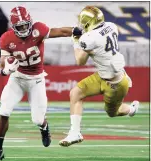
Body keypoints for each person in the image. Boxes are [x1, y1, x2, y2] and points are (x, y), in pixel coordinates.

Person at [0, 6, 73, 161]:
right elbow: (1, 67)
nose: (25, 29)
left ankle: (44, 128)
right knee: (4, 110)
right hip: (17, 78)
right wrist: (6, 70)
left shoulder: (39, 29)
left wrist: (78, 31)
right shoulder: (6, 39)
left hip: (36, 80)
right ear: (14, 27)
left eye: (26, 25)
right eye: (20, 27)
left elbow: (61, 31)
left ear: (30, 22)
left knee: (38, 119)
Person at [59, 6, 140, 147]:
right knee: (75, 93)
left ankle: (132, 109)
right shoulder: (111, 26)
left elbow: (80, 61)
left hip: (116, 84)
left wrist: (76, 41)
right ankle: (74, 132)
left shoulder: (89, 38)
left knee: (113, 112)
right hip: (103, 75)